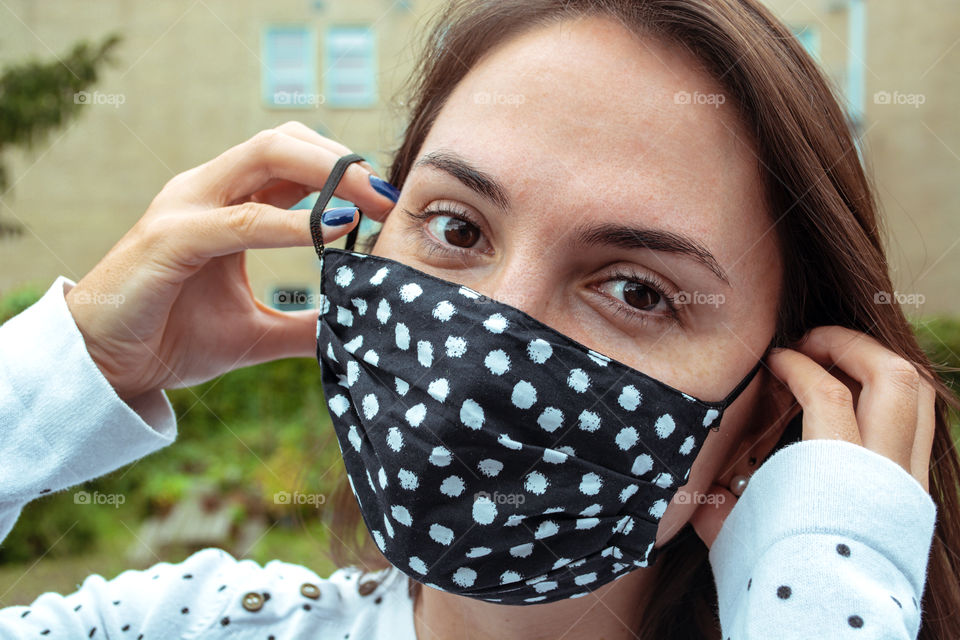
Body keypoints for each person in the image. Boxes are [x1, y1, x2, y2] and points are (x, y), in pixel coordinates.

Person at [1, 0, 957, 638]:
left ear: (766, 424)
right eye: (456, 225)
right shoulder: (196, 622)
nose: (482, 351)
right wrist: (63, 373)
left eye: (636, 290)